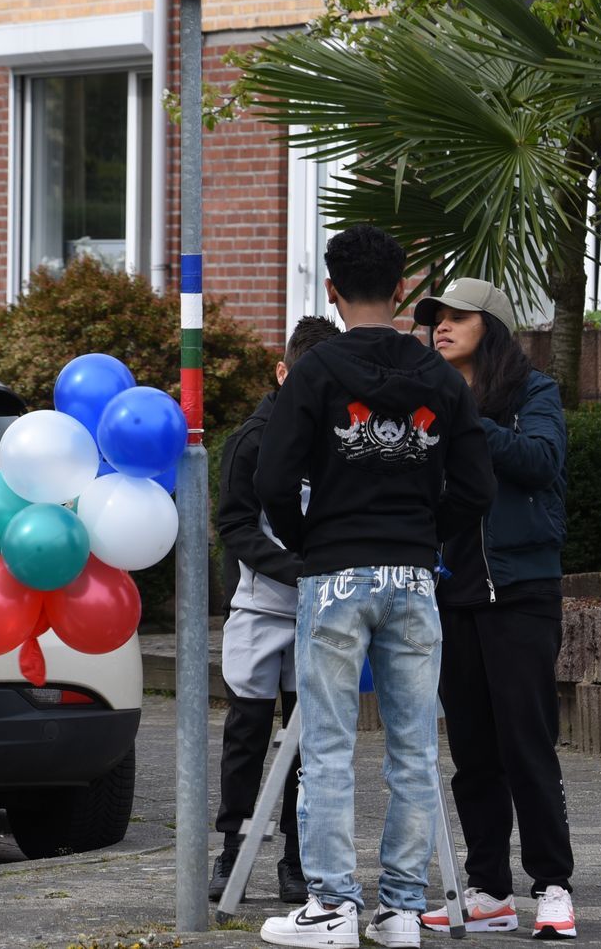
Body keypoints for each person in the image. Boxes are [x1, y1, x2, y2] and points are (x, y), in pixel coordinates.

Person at [253, 225, 496, 949]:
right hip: (413, 576)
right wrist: (424, 536)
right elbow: (477, 487)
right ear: (401, 289)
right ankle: (400, 912)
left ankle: (331, 907)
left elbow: (272, 479)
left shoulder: (315, 372)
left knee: (328, 747)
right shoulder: (441, 380)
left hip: (334, 573)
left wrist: (310, 542)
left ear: (330, 289)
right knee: (414, 751)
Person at [415, 277, 577, 941]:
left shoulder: (533, 393)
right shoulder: (427, 401)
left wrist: (469, 423)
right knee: (473, 752)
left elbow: (541, 461)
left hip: (521, 591)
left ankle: (553, 887)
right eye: (436, 317)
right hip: (453, 591)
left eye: (458, 316)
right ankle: (488, 890)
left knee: (525, 744)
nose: (441, 326)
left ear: (493, 327)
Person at [210, 314, 342, 905]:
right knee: (247, 737)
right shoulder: (252, 440)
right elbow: (235, 526)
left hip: (321, 614)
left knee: (307, 745)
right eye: (304, 379)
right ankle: (233, 850)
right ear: (282, 372)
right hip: (261, 611)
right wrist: (295, 568)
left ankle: (296, 858)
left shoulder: (338, 438)